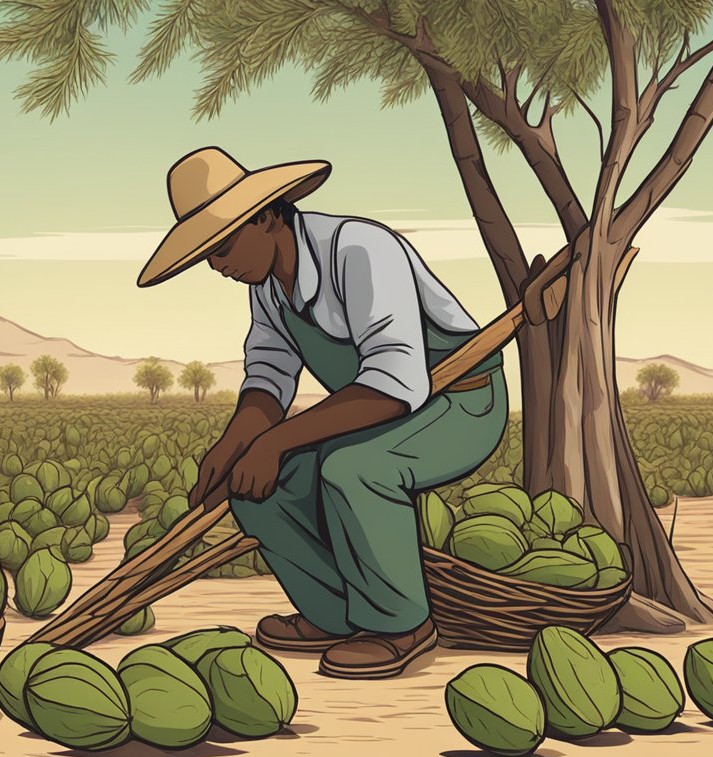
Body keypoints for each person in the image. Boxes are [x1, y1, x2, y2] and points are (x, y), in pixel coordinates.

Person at [137, 147, 507, 679]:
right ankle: (332, 615)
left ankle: (401, 623)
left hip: (458, 402)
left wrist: (274, 442)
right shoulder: (265, 286)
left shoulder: (360, 250)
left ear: (267, 216)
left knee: (354, 468)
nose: (218, 266)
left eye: (222, 246)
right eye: (208, 257)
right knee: (256, 489)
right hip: (381, 414)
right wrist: (235, 444)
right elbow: (268, 377)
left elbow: (396, 379)